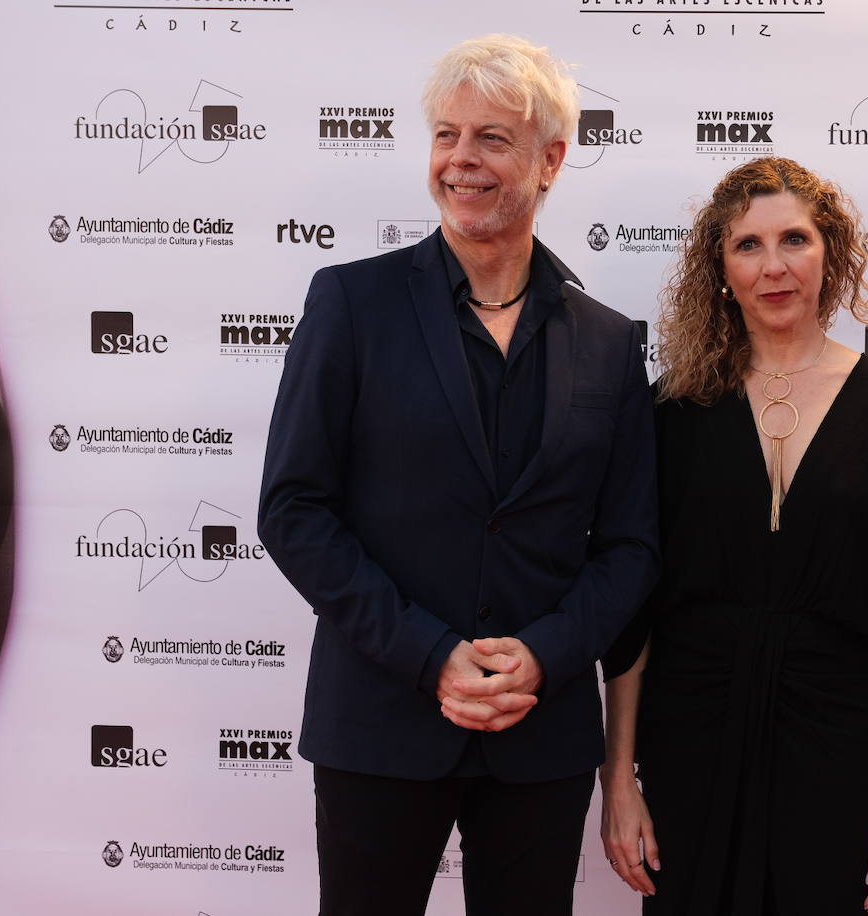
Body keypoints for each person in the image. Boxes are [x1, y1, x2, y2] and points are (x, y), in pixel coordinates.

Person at [257, 35, 658, 916]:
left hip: (541, 736)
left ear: (551, 160)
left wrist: (545, 657)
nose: (461, 159)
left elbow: (631, 547)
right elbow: (293, 510)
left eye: (492, 138)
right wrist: (430, 655)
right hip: (380, 722)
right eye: (447, 135)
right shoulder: (351, 304)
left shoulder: (608, 340)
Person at [599, 156, 868, 916]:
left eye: (794, 240)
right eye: (748, 245)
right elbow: (634, 616)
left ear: (830, 252)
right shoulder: (672, 409)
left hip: (835, 742)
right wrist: (618, 781)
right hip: (691, 742)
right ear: (720, 268)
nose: (773, 267)